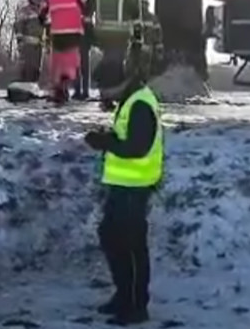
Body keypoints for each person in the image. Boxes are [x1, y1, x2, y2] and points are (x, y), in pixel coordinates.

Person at [82, 41, 163, 325]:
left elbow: (137, 147)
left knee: (130, 246)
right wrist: (107, 137)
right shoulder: (132, 99)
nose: (104, 95)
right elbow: (128, 138)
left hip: (134, 187)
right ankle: (123, 296)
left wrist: (105, 141)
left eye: (106, 89)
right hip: (123, 186)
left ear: (121, 81)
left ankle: (135, 306)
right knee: (112, 238)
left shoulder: (140, 103)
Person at [85, 0, 142, 107]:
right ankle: (109, 93)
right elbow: (136, 12)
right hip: (121, 32)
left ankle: (106, 91)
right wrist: (138, 36)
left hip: (101, 30)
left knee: (110, 58)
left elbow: (87, 10)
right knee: (116, 61)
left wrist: (89, 31)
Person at [41, 0, 86, 103]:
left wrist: (44, 22)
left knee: (58, 62)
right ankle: (69, 87)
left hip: (57, 34)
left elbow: (42, 12)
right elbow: (86, 7)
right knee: (71, 62)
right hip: (74, 33)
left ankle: (59, 89)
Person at [14, 0, 46, 84]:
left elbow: (47, 27)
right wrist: (19, 41)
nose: (37, 0)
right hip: (27, 44)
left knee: (37, 69)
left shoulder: (42, 12)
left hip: (39, 45)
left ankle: (33, 85)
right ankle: (24, 87)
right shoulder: (25, 11)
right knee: (27, 68)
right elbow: (18, 25)